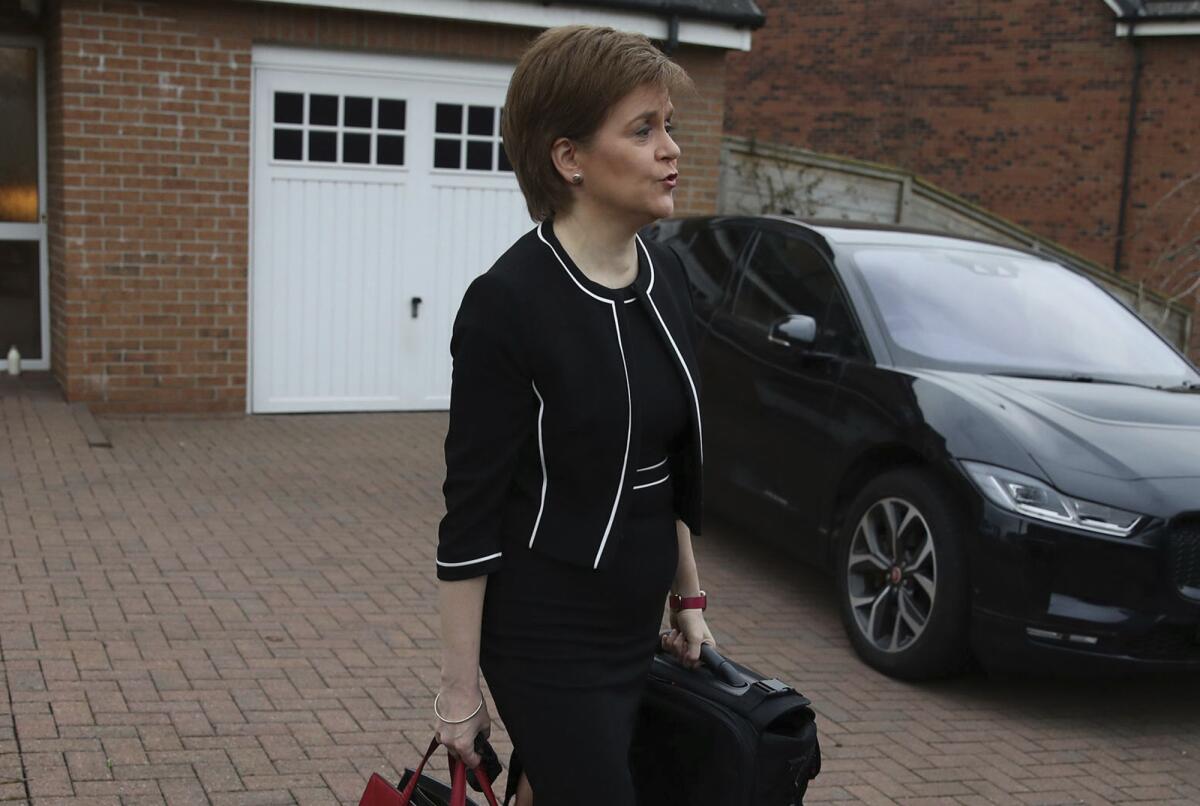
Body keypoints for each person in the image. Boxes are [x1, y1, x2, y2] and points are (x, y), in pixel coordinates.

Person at [432, 25, 716, 806]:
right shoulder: (508, 304)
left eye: (670, 128)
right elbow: (470, 516)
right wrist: (458, 694)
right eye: (643, 130)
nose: (671, 150)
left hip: (637, 625)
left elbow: (668, 466)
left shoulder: (668, 279)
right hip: (546, 634)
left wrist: (687, 598)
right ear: (569, 158)